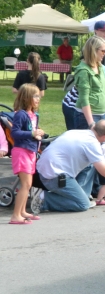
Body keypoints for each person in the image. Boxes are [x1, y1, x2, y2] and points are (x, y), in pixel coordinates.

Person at [31, 120, 105, 213]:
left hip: (43, 169)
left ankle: (81, 195)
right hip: (54, 177)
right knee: (83, 204)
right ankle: (44, 199)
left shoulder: (75, 132)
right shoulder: (92, 144)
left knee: (92, 163)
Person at [9, 84, 44, 224]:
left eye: (38, 96)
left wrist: (39, 133)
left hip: (30, 151)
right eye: (35, 96)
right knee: (25, 184)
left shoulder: (33, 115)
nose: (38, 98)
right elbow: (15, 133)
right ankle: (15, 215)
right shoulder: (21, 114)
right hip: (22, 151)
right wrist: (32, 133)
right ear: (26, 98)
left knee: (28, 184)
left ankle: (22, 211)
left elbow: (33, 131)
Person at [63, 67, 105, 131]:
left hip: (85, 108)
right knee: (74, 133)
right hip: (71, 105)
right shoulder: (100, 82)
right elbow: (86, 99)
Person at [73, 36, 105, 130]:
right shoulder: (83, 70)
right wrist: (91, 123)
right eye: (103, 51)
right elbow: (84, 99)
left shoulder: (102, 68)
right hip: (86, 117)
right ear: (93, 50)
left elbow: (104, 94)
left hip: (102, 115)